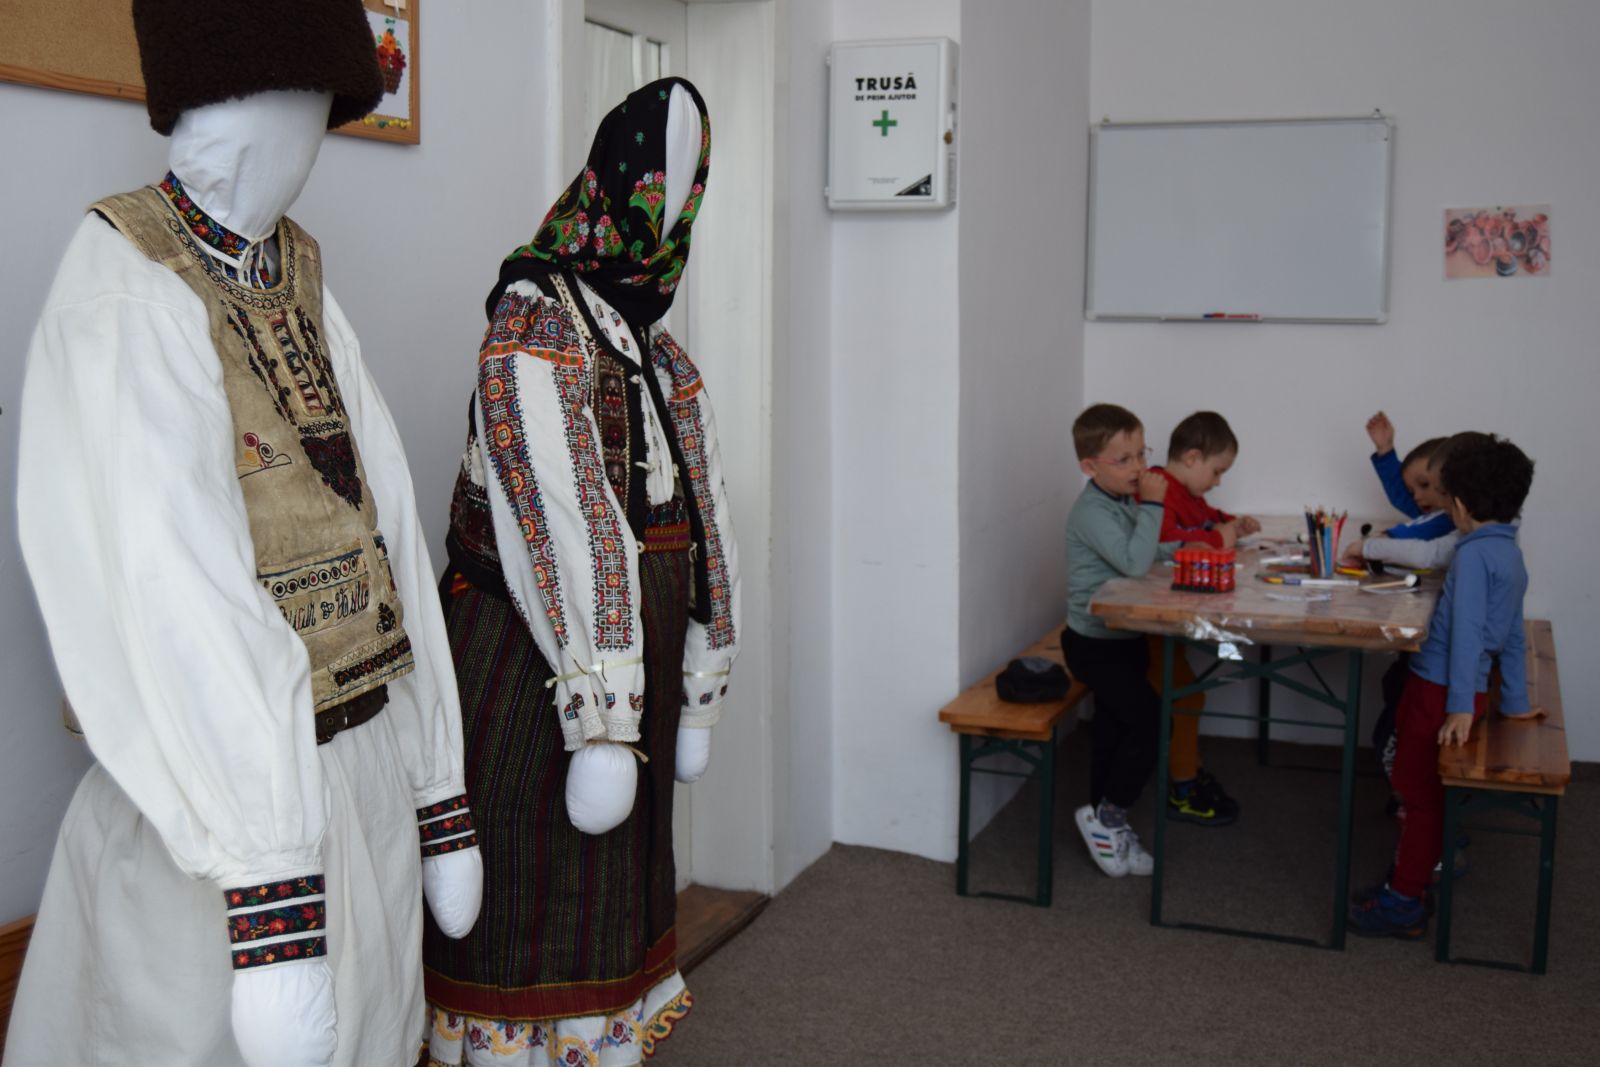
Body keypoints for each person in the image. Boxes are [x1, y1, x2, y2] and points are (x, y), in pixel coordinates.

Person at [8, 4, 481, 1065]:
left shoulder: (295, 271)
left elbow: (383, 529)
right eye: (295, 98)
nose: (307, 135)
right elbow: (168, 587)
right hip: (221, 816)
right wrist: (272, 891)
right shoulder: (127, 283)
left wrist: (434, 785)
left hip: (358, 766)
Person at [421, 78, 739, 1064]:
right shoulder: (536, 324)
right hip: (534, 656)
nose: (673, 211)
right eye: (662, 186)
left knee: (614, 880)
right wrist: (602, 717)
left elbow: (707, 510)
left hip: (630, 663)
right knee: (531, 866)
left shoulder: (654, 345)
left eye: (688, 189)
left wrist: (703, 671)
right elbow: (561, 518)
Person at [1348, 434, 1538, 938]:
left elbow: (1467, 635)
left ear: (1460, 506)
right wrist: (1514, 701)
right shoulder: (1509, 552)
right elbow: (1511, 634)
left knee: (1418, 795)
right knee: (1426, 794)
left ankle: (1404, 900)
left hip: (1438, 690)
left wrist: (1457, 707)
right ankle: (1407, 881)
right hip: (1461, 692)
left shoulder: (1471, 557)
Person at [1064, 404, 1176, 877]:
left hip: (1124, 639)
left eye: (1141, 454)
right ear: (1090, 466)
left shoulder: (1119, 502)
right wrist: (1153, 506)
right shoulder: (1092, 511)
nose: (1138, 467)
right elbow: (1133, 563)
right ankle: (1107, 818)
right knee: (1152, 722)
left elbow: (1140, 550)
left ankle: (1104, 820)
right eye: (1124, 459)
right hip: (1093, 644)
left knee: (1113, 731)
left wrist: (1186, 548)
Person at [1146, 411, 1258, 826]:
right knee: (1188, 696)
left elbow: (1206, 516)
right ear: (1192, 457)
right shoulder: (1159, 491)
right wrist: (1218, 538)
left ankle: (1187, 767)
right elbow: (1167, 542)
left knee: (1197, 682)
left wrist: (1233, 524)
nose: (1218, 480)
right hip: (1147, 624)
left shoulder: (1187, 494)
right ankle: (1183, 786)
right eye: (1217, 471)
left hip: (1172, 617)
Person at [1364, 411, 1455, 541]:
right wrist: (1385, 450)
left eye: (1424, 485)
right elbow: (1399, 491)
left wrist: (1383, 539)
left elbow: (1423, 530)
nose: (1416, 496)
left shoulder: (1452, 519)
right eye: (1411, 492)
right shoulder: (1431, 510)